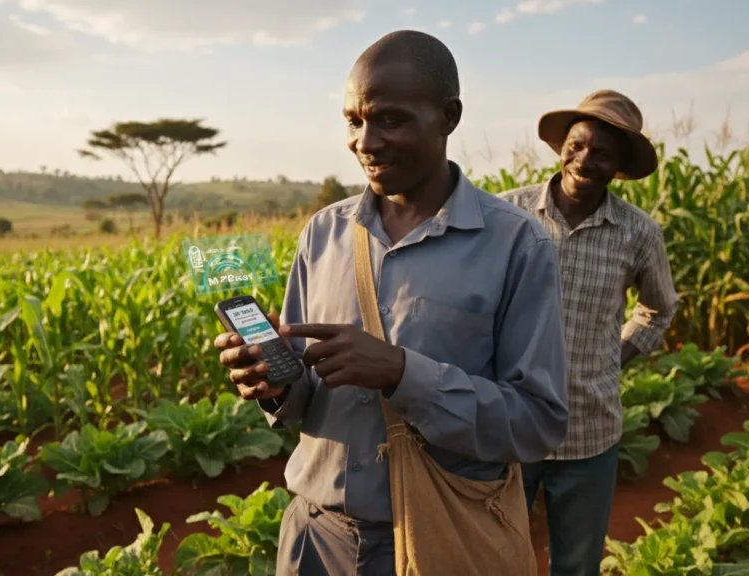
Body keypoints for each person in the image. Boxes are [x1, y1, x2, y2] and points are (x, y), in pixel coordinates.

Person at [213, 30, 569, 575]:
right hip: (315, 538)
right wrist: (276, 384)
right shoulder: (323, 234)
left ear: (449, 117)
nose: (365, 141)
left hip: (441, 536)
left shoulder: (516, 243)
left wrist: (402, 373)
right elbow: (307, 398)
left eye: (391, 120)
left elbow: (537, 423)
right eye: (354, 121)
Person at [497, 89, 680, 576]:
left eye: (601, 153)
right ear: (561, 147)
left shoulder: (639, 233)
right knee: (492, 555)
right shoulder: (506, 217)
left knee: (576, 565)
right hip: (509, 425)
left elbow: (659, 310)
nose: (583, 160)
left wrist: (613, 355)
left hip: (589, 431)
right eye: (576, 146)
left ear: (618, 167)